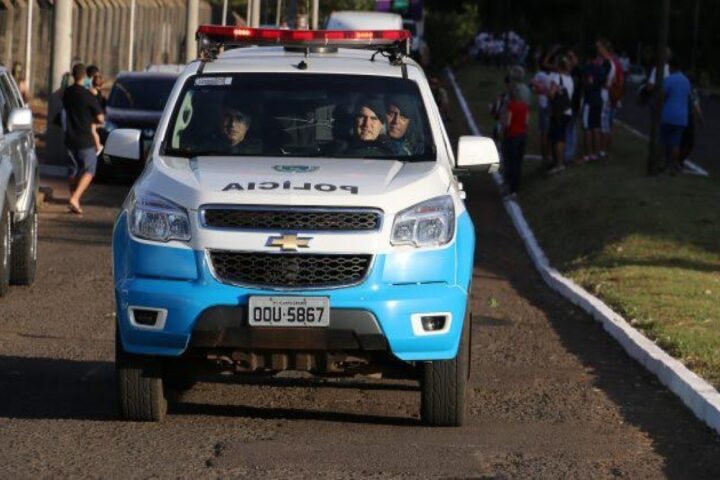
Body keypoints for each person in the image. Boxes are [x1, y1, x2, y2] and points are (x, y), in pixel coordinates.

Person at [62, 62, 104, 214]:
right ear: (85, 77)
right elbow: (100, 117)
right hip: (85, 139)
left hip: (69, 137)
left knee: (73, 170)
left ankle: (73, 199)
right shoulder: (88, 95)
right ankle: (75, 198)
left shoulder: (67, 93)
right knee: (89, 169)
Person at [660, 57, 691, 175]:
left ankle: (664, 163)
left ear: (671, 67)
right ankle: (674, 166)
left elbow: (663, 96)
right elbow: (688, 97)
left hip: (668, 114)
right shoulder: (686, 81)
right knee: (675, 143)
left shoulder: (668, 80)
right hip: (682, 116)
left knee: (664, 141)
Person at [547, 55, 574, 174]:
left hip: (558, 112)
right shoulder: (570, 79)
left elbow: (551, 94)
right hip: (567, 111)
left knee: (557, 138)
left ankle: (558, 164)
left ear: (559, 66)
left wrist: (545, 90)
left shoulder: (557, 78)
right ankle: (560, 162)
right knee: (562, 137)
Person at [502, 83, 529, 198]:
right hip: (522, 136)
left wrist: (504, 131)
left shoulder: (511, 106)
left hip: (512, 136)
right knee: (518, 163)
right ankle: (515, 189)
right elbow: (526, 122)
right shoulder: (525, 106)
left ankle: (509, 186)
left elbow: (508, 123)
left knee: (510, 162)